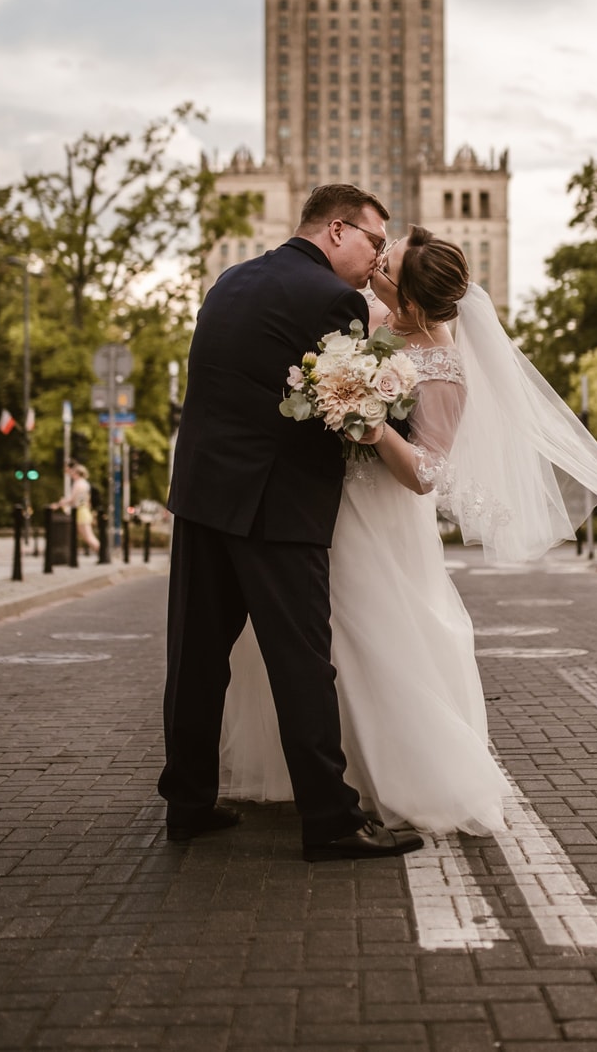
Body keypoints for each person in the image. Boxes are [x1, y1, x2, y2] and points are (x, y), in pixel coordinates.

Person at [220, 226, 597, 833]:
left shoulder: (443, 367)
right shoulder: (373, 313)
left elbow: (426, 473)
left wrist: (369, 423)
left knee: (375, 640)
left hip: (382, 520)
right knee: (318, 641)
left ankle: (411, 777)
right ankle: (320, 772)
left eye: (386, 264)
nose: (375, 264)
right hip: (330, 505)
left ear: (414, 302)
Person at [159, 184, 423, 863]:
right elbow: (341, 404)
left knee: (194, 660)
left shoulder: (229, 280)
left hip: (201, 495)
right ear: (336, 232)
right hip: (278, 506)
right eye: (372, 242)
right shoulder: (331, 301)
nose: (376, 259)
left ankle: (187, 804)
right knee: (303, 665)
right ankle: (330, 819)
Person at [57, 464, 100, 556]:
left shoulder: (78, 484)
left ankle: (102, 553)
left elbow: (73, 499)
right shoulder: (85, 483)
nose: (71, 474)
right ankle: (101, 553)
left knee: (88, 536)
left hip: (80, 511)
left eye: (73, 472)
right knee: (84, 535)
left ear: (77, 473)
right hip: (84, 510)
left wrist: (60, 503)